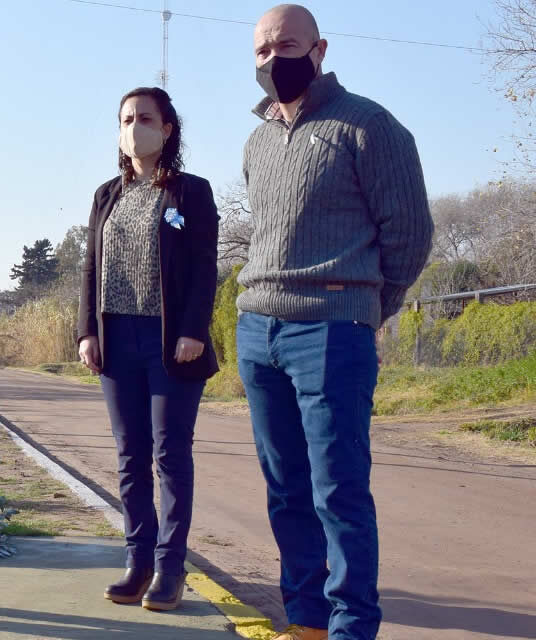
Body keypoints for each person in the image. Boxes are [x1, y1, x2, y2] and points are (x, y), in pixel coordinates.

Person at [238, 5, 433, 640]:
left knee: (337, 491)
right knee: (285, 490)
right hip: (257, 331)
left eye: (287, 46)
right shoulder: (258, 138)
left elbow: (409, 233)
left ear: (319, 49)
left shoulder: (370, 126)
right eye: (263, 50)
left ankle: (353, 626)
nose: (274, 60)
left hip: (331, 329)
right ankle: (307, 620)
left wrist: (367, 307)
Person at [77, 87, 220, 612]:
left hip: (170, 344)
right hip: (117, 342)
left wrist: (193, 329)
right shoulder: (105, 195)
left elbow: (205, 267)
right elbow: (90, 267)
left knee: (169, 457)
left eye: (145, 118)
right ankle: (137, 563)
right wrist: (86, 331)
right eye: (126, 119)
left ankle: (169, 569)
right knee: (130, 458)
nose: (134, 126)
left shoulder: (191, 193)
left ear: (167, 129)